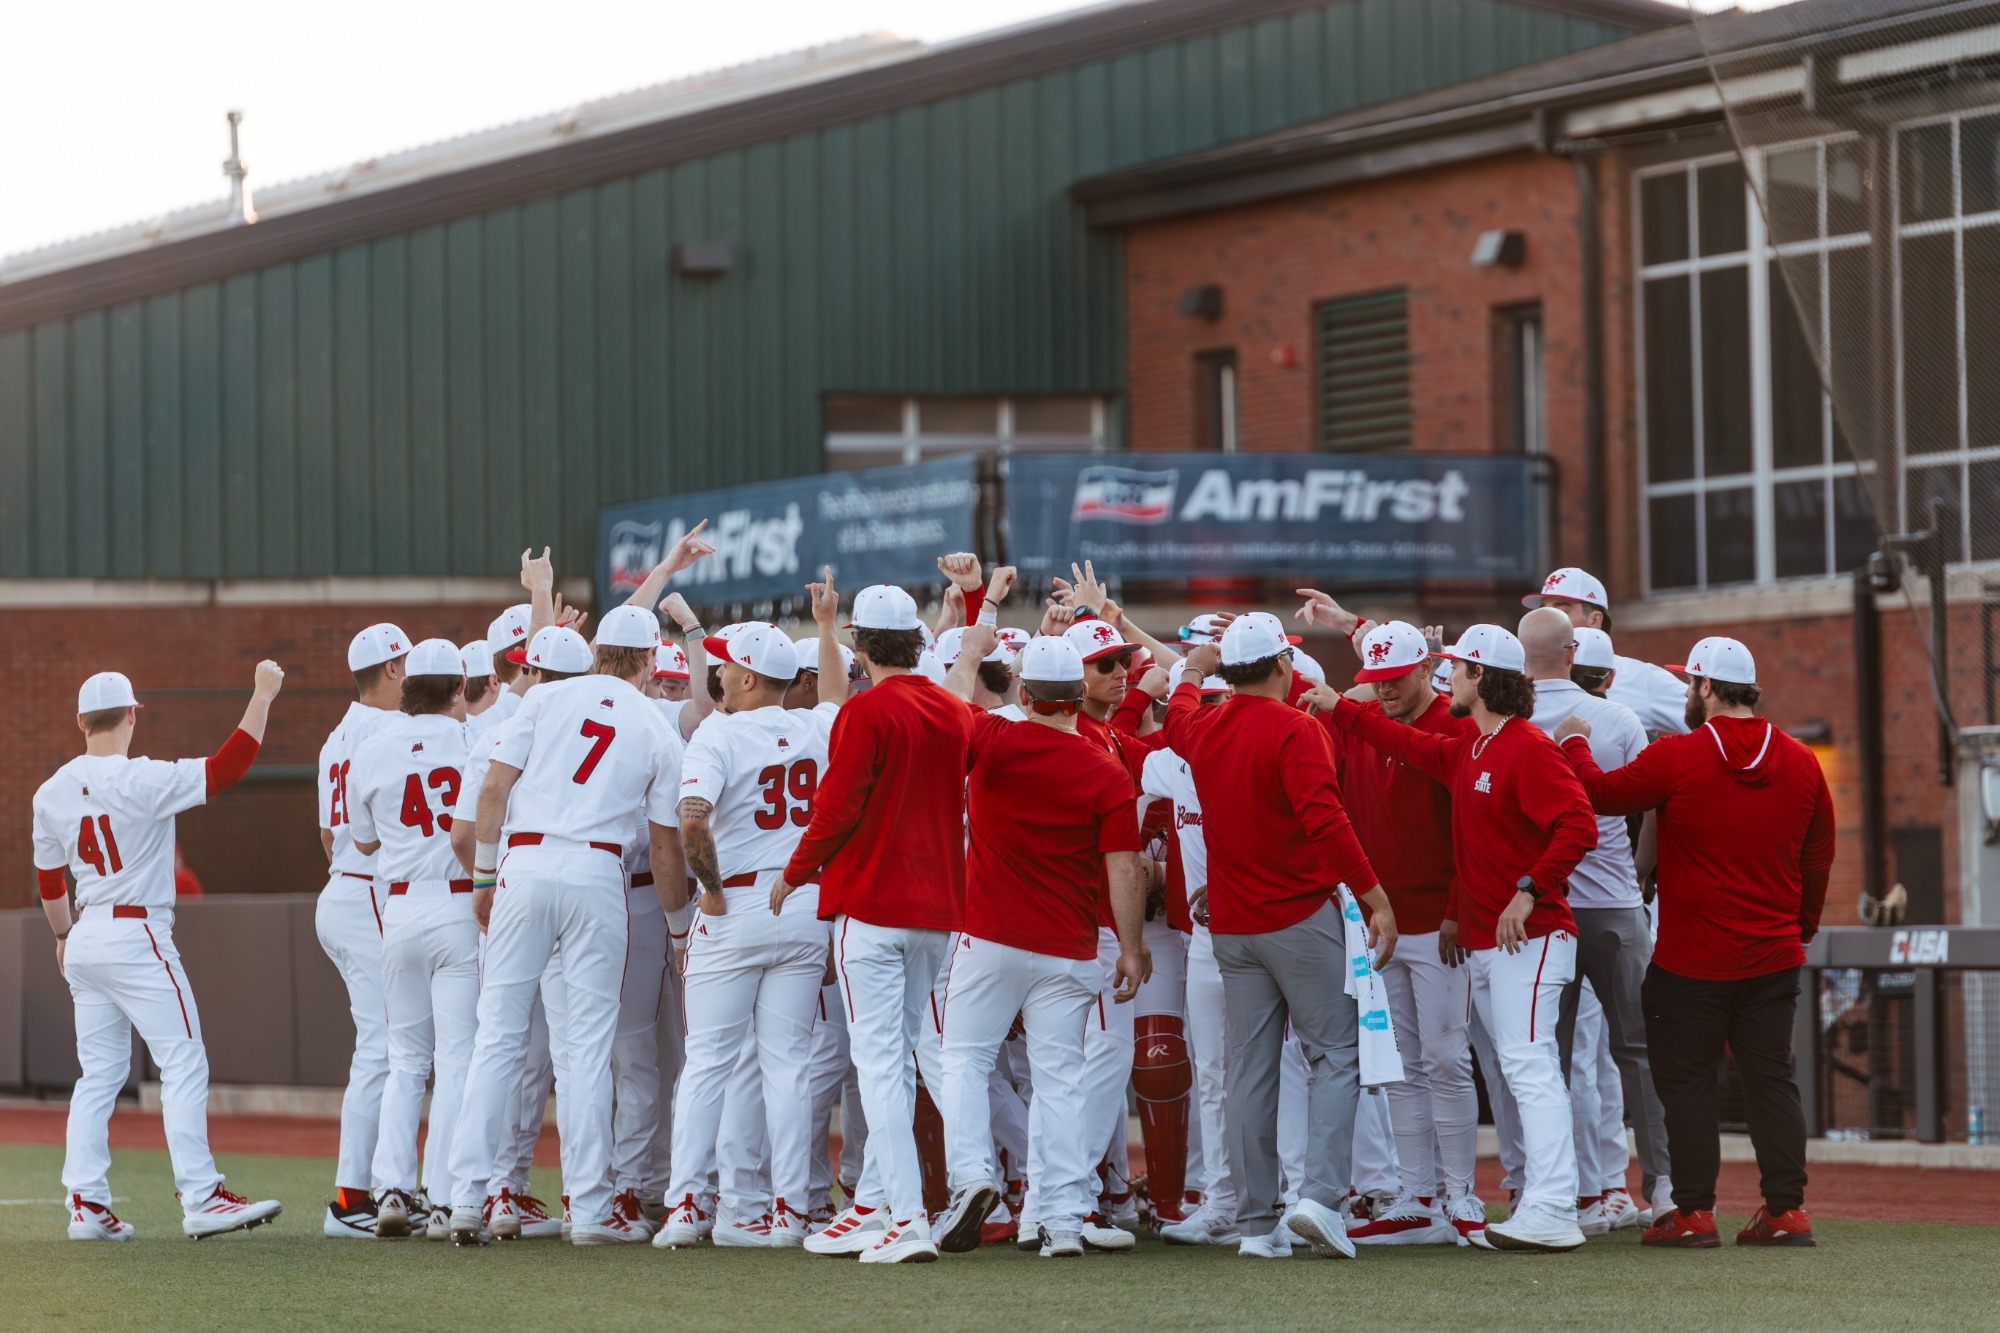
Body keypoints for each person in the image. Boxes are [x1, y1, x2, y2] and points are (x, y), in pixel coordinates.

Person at [1312, 623, 1597, 1252]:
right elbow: (1401, 741)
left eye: (1458, 669)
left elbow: (1578, 822)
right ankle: (1453, 1202)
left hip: (1532, 933)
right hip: (1492, 937)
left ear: (1480, 678)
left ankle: (1551, 1205)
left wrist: (1530, 889)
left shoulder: (1524, 745)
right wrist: (1342, 707)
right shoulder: (1473, 746)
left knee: (1527, 1067)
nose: (1450, 677)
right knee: (1514, 1066)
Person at [1553, 636, 1833, 1249]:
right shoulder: (1802, 759)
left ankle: (1694, 1213)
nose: (1686, 693)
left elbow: (1600, 796)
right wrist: (1801, 927)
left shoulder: (1679, 756)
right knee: (1771, 1081)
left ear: (1706, 687)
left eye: (1690, 684)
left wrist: (1574, 741)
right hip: (1773, 955)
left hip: (1690, 960)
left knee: (1685, 1084)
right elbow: (1818, 859)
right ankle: (1786, 1211)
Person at [448, 610, 685, 1246]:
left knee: (497, 1035)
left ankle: (466, 1197)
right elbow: (664, 848)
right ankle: (588, 1209)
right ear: (650, 662)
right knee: (585, 1050)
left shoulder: (542, 697)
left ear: (599, 649)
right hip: (597, 873)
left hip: (523, 864)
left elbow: (493, 790)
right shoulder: (654, 723)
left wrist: (482, 877)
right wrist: (681, 928)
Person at [1167, 618, 1396, 1261]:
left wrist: (1192, 668)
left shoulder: (1204, 727)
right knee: (1337, 1055)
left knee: (1250, 1071)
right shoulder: (1297, 728)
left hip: (1234, 929)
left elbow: (1180, 711)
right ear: (1280, 667)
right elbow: (1325, 818)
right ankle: (1321, 1200)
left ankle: (1255, 1226)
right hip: (1297, 916)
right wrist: (1376, 896)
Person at [35, 664, 286, 1242]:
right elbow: (226, 768)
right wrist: (261, 696)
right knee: (183, 1061)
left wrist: (62, 936)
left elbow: (50, 880)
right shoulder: (143, 777)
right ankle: (201, 1195)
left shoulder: (50, 790)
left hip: (86, 933)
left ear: (80, 721)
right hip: (136, 933)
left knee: (97, 1075)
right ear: (131, 715)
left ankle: (87, 1205)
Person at [933, 629, 1149, 1259]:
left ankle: (974, 1178)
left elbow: (949, 709)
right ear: (1078, 696)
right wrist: (1131, 948)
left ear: (1023, 692)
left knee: (965, 1062)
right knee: (1061, 1080)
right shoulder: (1105, 768)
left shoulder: (995, 736)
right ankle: (1057, 1219)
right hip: (1071, 943)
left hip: (992, 934)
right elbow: (1124, 867)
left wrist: (971, 651)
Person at [777, 584, 975, 1265]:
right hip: (937, 909)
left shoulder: (864, 711)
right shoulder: (952, 710)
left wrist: (792, 873)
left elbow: (836, 809)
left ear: (860, 646)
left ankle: (907, 1216)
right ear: (918, 642)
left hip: (872, 904)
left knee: (882, 1066)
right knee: (914, 1054)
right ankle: (899, 1200)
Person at [659, 593, 847, 1250]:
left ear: (744, 677)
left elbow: (690, 819)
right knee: (788, 1065)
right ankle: (789, 1211)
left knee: (708, 1060)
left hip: (735, 902)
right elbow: (835, 694)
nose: (716, 674)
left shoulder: (717, 731)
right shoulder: (814, 728)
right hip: (801, 905)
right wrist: (825, 629)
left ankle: (687, 1205)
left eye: (723, 666)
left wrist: (706, 890)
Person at [1307, 616, 1484, 1246]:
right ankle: (1417, 1195)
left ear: (1424, 670)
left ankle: (1461, 1194)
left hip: (1438, 923)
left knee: (1445, 1058)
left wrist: (1458, 908)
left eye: (1393, 678)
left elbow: (1473, 832)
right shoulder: (1361, 722)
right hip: (1380, 921)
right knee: (1403, 1065)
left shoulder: (1454, 725)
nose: (1381, 689)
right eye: (1373, 680)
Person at [1518, 608, 1673, 1229]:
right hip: (1612, 902)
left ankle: (1552, 1194)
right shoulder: (1616, 717)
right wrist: (1641, 871)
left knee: (1541, 1061)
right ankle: (1664, 1188)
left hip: (1538, 905)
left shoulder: (1511, 723)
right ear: (1577, 651)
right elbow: (1652, 802)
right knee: (1640, 1052)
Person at [346, 639, 478, 1238]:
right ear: (457, 687)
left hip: (399, 910)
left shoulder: (371, 749)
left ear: (406, 689)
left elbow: (366, 844)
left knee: (404, 1060)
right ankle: (445, 1195)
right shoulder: (474, 740)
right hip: (457, 906)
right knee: (455, 1062)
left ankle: (391, 1188)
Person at [313, 621, 411, 1238]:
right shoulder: (395, 730)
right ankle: (352, 1199)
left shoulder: (335, 736)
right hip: (368, 893)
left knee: (385, 1047)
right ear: (396, 670)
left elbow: (328, 835)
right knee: (384, 1049)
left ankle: (373, 1188)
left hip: (341, 888)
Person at [1523, 568, 1687, 737]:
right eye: (1543, 611)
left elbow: (1712, 723)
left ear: (1594, 620)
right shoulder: (1518, 677)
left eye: (1561, 612)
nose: (1547, 619)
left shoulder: (1640, 678)